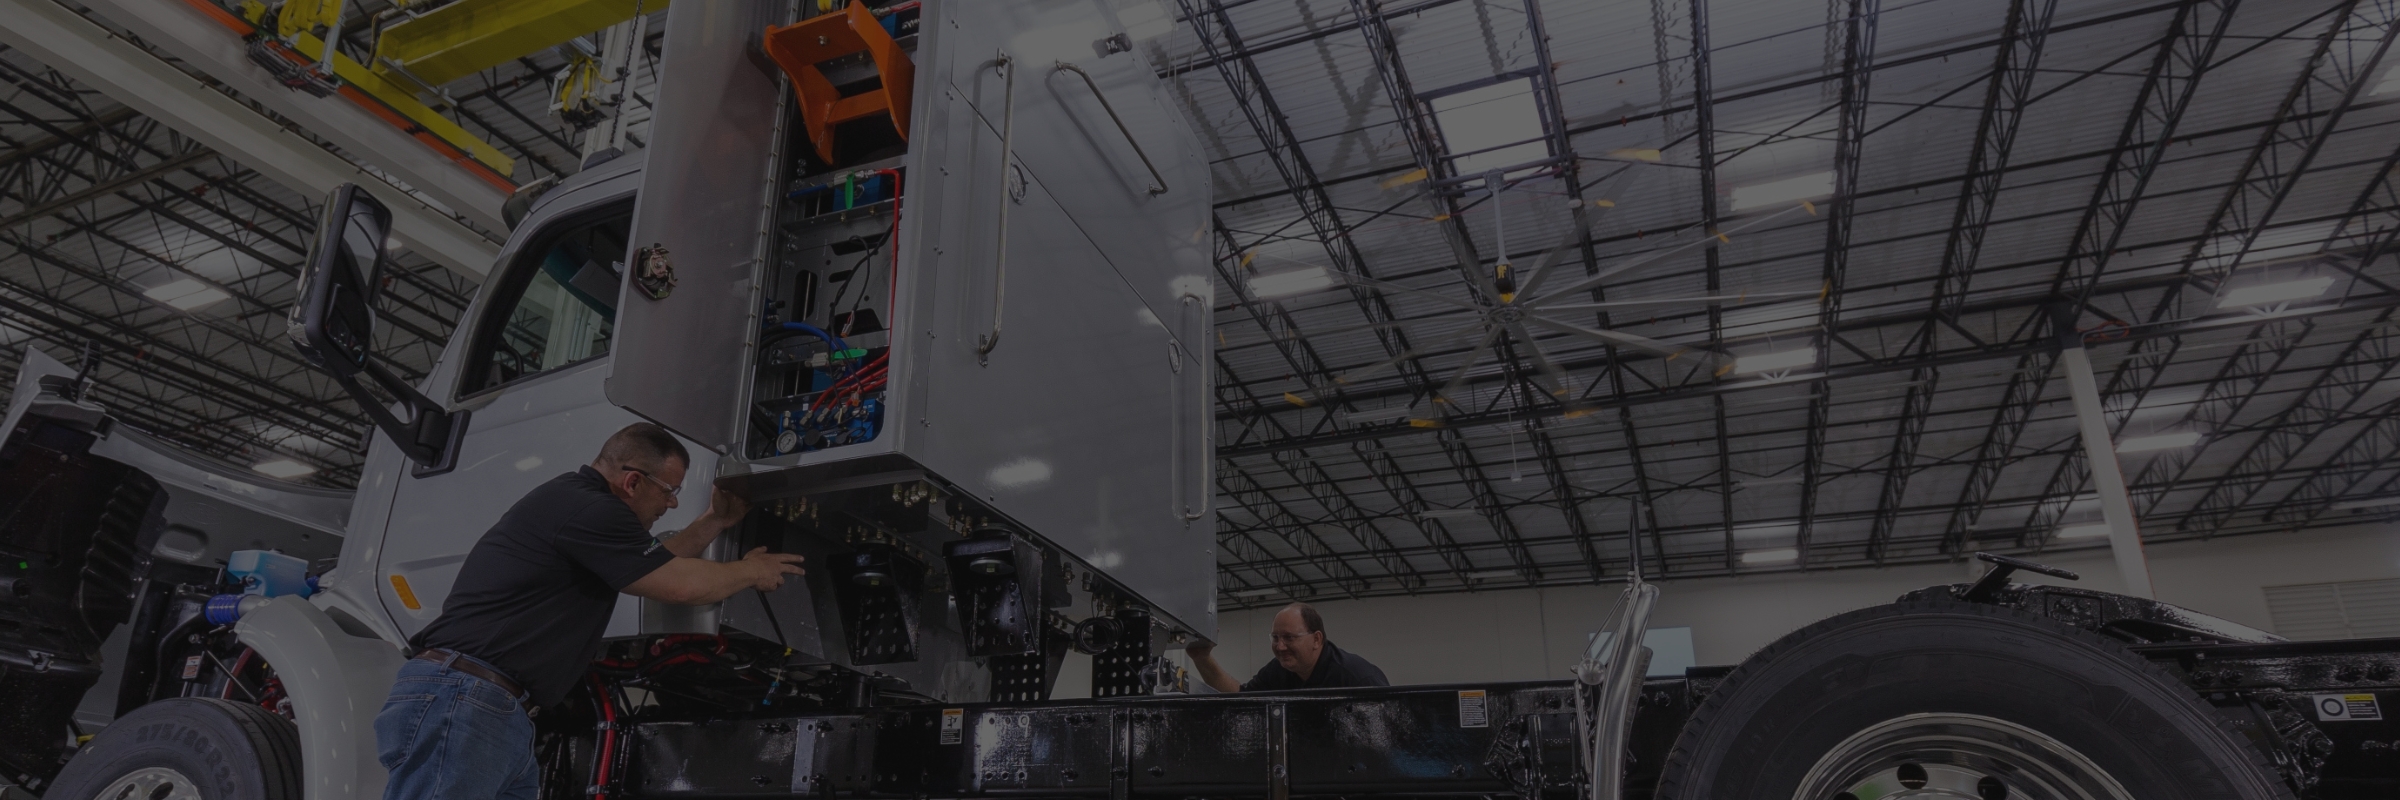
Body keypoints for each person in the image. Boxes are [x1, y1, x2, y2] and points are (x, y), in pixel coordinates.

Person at [375, 423, 805, 800]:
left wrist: (713, 521)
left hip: (491, 709)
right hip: (466, 701)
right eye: (669, 491)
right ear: (633, 482)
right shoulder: (590, 508)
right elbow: (680, 584)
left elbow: (658, 563)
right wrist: (750, 570)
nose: (672, 504)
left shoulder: (580, 507)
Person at [1187, 602, 1388, 691]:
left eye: (1289, 638)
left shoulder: (1356, 678)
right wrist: (1202, 658)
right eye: (1275, 638)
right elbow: (1240, 699)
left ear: (1316, 639)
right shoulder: (1278, 672)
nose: (1280, 647)